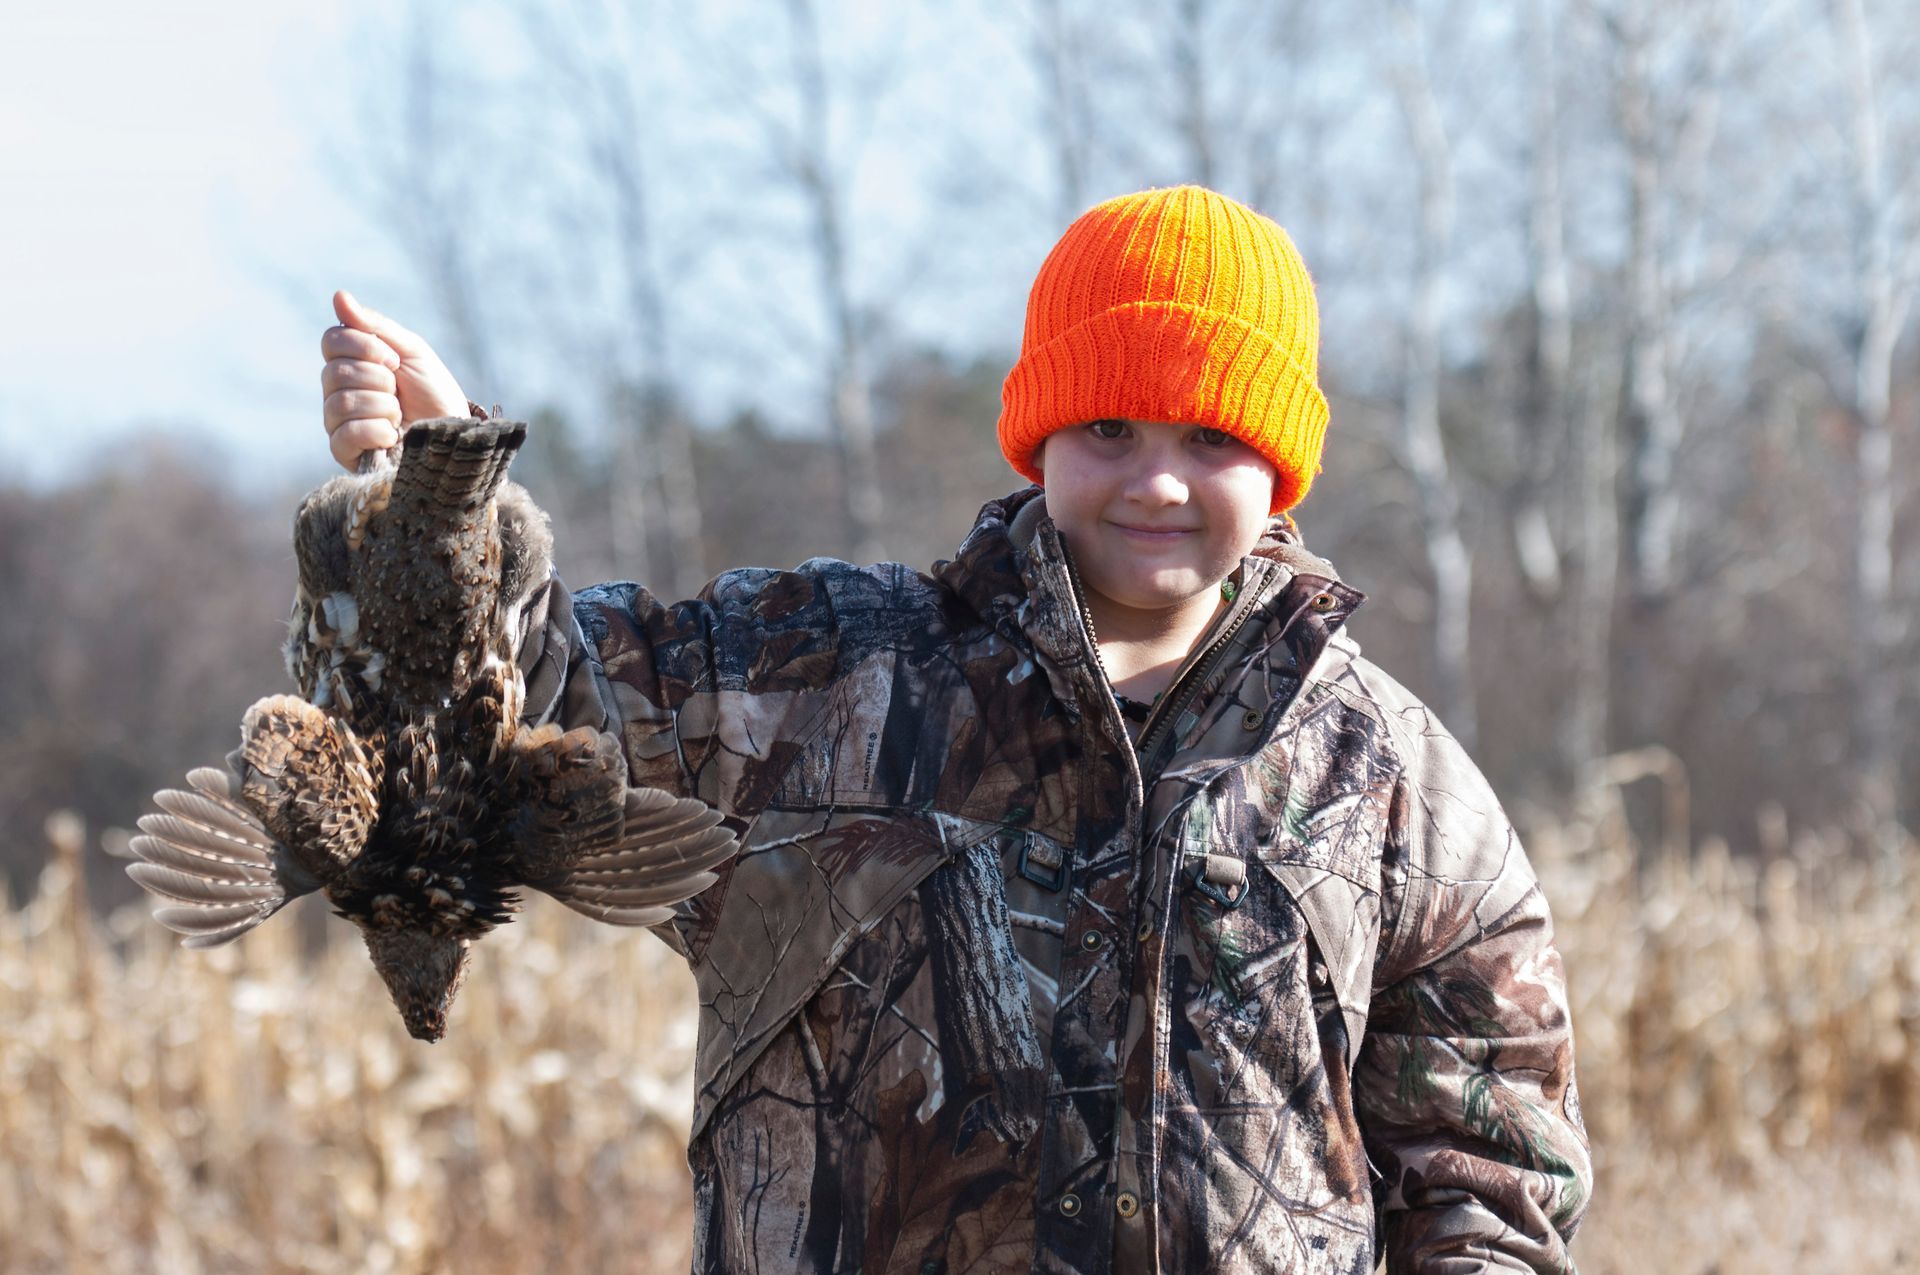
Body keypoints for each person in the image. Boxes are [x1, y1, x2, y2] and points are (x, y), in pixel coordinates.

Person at [320, 185, 1591, 1274]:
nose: (1157, 479)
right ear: (1040, 434)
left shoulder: (1382, 771)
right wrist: (445, 484)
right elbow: (536, 702)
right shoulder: (820, 680)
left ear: (1281, 468)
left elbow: (1492, 1159)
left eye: (1212, 437)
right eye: (1110, 428)